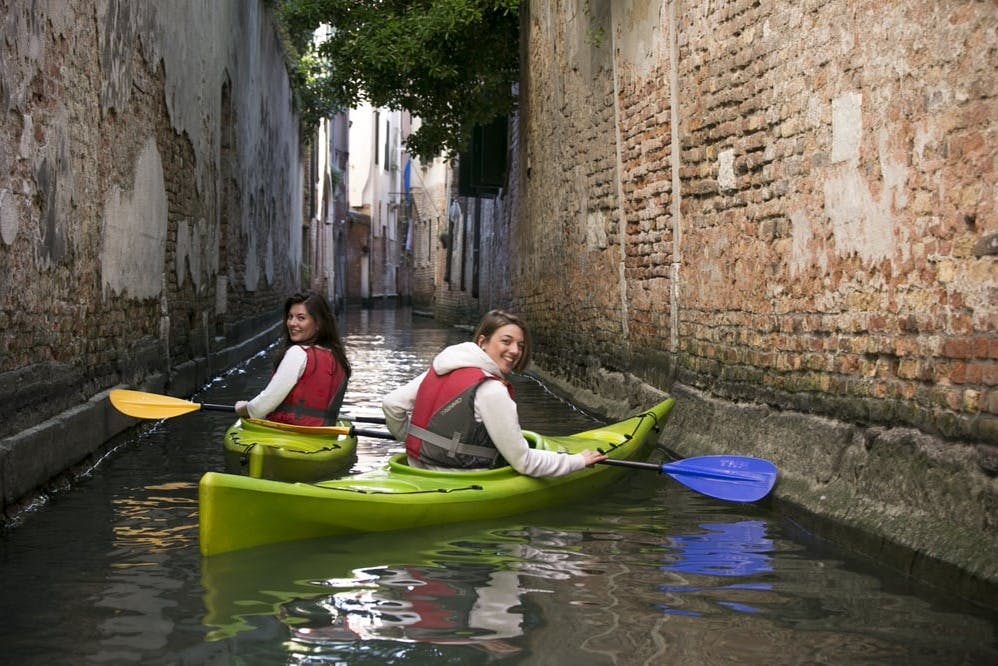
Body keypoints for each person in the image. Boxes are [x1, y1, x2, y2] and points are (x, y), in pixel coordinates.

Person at [382, 309, 606, 476]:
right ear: (483, 341)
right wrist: (578, 461)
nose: (515, 351)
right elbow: (523, 462)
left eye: (521, 345)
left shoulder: (440, 368)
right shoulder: (491, 390)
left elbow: (392, 404)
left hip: (416, 469)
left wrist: (412, 440)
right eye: (506, 342)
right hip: (458, 478)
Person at [235, 291, 351, 426]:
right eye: (290, 317)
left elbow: (263, 405)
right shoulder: (339, 358)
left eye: (301, 318)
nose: (292, 323)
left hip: (289, 433)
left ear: (318, 324)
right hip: (323, 436)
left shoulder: (297, 353)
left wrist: (244, 408)